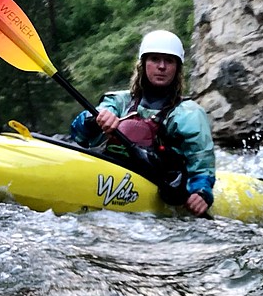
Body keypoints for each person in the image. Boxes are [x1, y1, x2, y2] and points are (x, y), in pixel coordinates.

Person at [70, 29, 216, 216]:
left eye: (169, 61)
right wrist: (95, 120)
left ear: (177, 68)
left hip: (163, 185)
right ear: (143, 64)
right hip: (110, 176)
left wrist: (201, 192)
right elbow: (78, 135)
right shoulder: (118, 101)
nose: (161, 66)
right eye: (155, 59)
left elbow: (201, 164)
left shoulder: (189, 115)